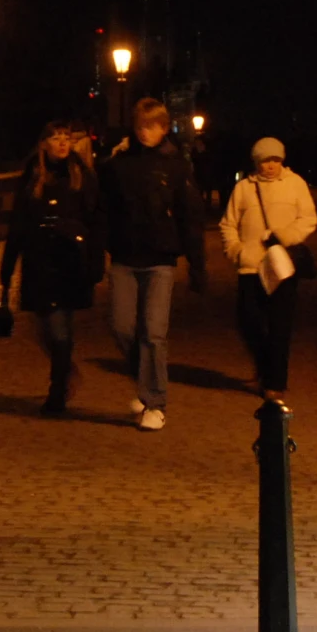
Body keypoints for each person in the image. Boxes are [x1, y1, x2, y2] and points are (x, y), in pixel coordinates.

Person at [102, 98, 206, 430]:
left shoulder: (176, 166)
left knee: (154, 332)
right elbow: (103, 208)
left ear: (163, 128)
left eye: (152, 126)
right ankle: (145, 381)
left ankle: (155, 401)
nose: (145, 132)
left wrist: (196, 262)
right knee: (121, 326)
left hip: (160, 257)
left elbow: (190, 217)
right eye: (140, 126)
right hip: (125, 256)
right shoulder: (119, 163)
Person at [0, 121, 106, 416]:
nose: (62, 143)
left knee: (60, 329)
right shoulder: (32, 175)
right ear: (44, 143)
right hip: (39, 260)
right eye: (56, 138)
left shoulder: (81, 176)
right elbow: (18, 222)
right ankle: (66, 372)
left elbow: (96, 219)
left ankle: (57, 391)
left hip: (69, 261)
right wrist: (7, 267)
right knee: (43, 328)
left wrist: (96, 260)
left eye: (66, 138)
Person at [220, 137, 317, 400]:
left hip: (282, 265)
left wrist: (284, 236)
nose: (271, 165)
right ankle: (265, 367)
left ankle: (276, 382)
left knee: (280, 325)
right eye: (265, 160)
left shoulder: (295, 184)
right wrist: (237, 250)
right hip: (251, 266)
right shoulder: (243, 189)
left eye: (275, 160)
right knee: (248, 320)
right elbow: (228, 223)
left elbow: (308, 218)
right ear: (257, 162)